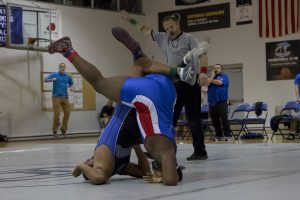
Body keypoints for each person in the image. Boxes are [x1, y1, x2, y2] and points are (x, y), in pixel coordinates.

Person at [48, 26, 189, 185]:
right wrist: (80, 167)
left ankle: (160, 65)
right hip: (139, 105)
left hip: (161, 95)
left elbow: (144, 172)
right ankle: (68, 51)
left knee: (140, 66)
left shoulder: (120, 166)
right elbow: (98, 177)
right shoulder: (106, 166)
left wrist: (136, 147)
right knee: (99, 83)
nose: (89, 161)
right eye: (89, 164)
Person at [121, 10, 208, 160]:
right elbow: (144, 29)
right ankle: (163, 149)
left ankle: (200, 151)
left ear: (178, 24)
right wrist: (130, 19)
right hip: (173, 82)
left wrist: (204, 72)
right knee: (169, 117)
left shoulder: (189, 39)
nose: (170, 31)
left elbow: (203, 54)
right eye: (167, 28)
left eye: (172, 27)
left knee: (193, 117)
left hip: (190, 82)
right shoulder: (163, 38)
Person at [72, 104, 151, 184]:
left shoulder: (102, 155)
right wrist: (137, 148)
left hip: (127, 109)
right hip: (134, 114)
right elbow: (146, 172)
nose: (89, 158)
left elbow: (98, 178)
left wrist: (80, 166)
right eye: (87, 161)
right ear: (92, 167)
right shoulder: (120, 167)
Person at [44, 63, 74, 137]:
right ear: (59, 68)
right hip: (56, 97)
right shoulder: (55, 74)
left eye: (64, 67)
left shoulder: (67, 76)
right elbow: (45, 80)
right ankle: (55, 130)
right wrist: (52, 79)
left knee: (67, 113)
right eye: (61, 67)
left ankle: (63, 129)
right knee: (57, 114)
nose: (62, 68)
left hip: (65, 97)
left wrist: (72, 87)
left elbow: (71, 84)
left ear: (65, 68)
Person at [205, 64, 233, 141]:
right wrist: (211, 77)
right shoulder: (210, 77)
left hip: (221, 101)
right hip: (212, 102)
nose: (216, 69)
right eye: (215, 68)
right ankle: (219, 135)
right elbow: (206, 85)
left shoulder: (224, 76)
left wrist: (210, 80)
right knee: (215, 120)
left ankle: (228, 135)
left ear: (221, 70)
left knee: (224, 119)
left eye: (218, 68)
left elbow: (220, 83)